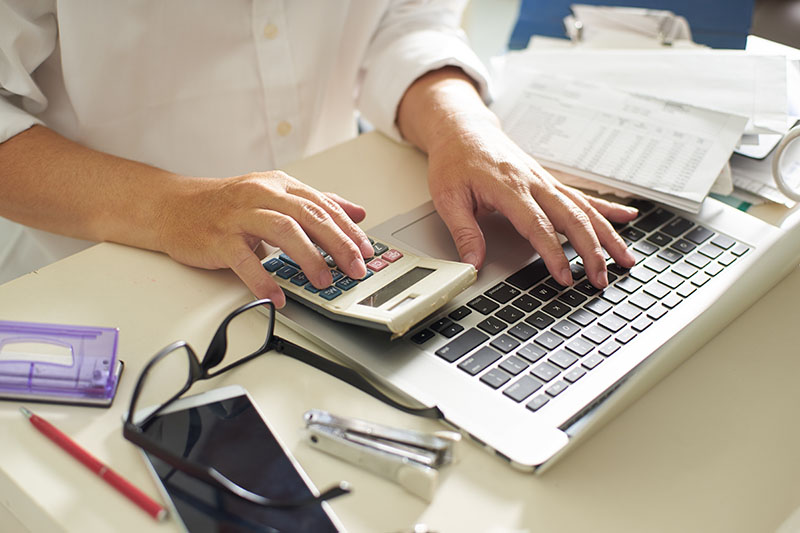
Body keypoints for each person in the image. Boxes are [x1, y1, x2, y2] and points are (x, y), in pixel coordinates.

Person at [0, 1, 637, 305]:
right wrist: (170, 207)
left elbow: (403, 21)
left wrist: (463, 129)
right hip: (97, 274)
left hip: (335, 246)